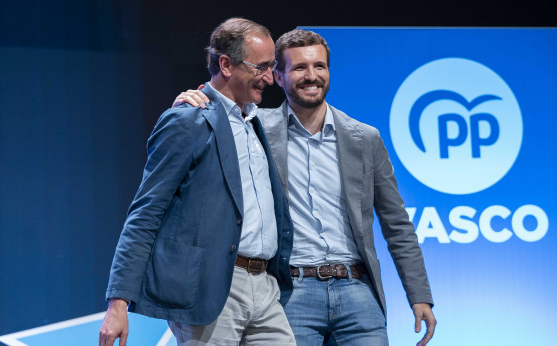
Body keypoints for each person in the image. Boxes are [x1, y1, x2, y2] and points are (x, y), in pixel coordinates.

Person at [174, 29, 436, 346]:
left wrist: (419, 295)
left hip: (357, 290)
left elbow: (397, 224)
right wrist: (190, 102)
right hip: (292, 291)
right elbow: (213, 118)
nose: (311, 76)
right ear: (278, 77)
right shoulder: (254, 129)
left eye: (319, 67)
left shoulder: (364, 138)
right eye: (299, 68)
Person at [99, 18, 296, 346]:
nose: (269, 78)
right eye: (261, 67)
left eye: (272, 66)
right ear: (226, 65)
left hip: (265, 286)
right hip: (211, 288)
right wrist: (117, 303)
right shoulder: (187, 120)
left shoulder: (257, 122)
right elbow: (145, 214)